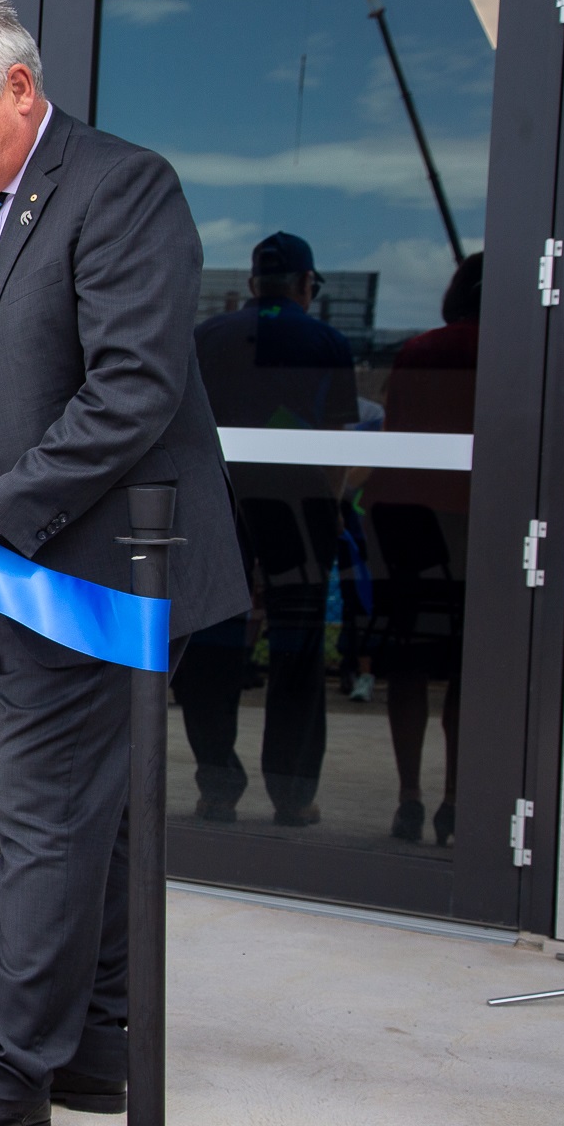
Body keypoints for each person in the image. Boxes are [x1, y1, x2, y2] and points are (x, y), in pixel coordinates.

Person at [0, 0, 245, 1126]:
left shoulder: (120, 187)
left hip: (97, 571)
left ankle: (9, 1067)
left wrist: (1, 499)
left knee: (41, 818)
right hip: (8, 571)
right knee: (93, 820)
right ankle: (95, 1036)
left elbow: (131, 387)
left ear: (18, 88)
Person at [185, 231, 361, 826]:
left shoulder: (207, 336)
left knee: (211, 640)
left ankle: (216, 786)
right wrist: (333, 508)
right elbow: (336, 440)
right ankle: (293, 793)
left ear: (255, 283)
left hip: (219, 502)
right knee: (298, 644)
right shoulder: (326, 340)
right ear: (306, 285)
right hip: (298, 506)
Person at [368, 251, 480, 846]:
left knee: (407, 663)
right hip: (469, 525)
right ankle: (456, 798)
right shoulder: (508, 351)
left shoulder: (419, 350)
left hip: (404, 524)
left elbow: (393, 432)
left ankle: (408, 794)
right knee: (467, 666)